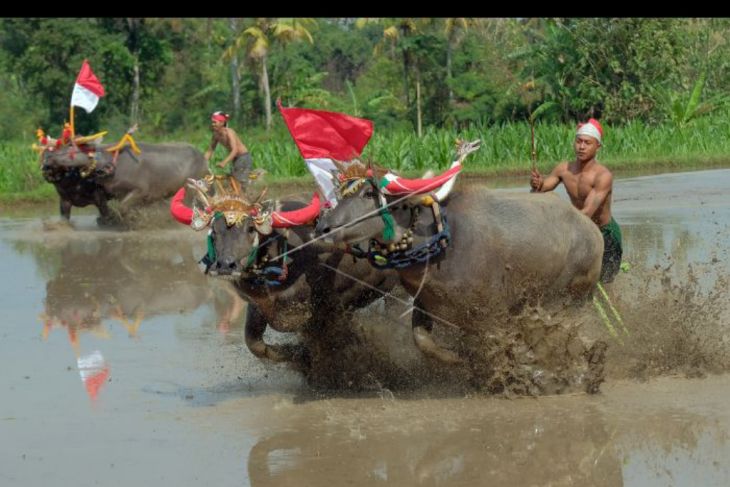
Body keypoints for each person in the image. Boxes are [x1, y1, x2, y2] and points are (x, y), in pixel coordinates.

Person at [530, 118, 622, 283]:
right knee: (575, 283)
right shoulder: (564, 169)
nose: (581, 147)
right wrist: (537, 183)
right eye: (579, 141)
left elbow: (586, 213)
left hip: (604, 233)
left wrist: (560, 227)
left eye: (587, 143)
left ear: (597, 147)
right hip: (580, 231)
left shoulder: (603, 176)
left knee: (604, 282)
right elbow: (541, 189)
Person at [204, 111, 253, 183]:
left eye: (215, 122)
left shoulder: (229, 132)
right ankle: (237, 192)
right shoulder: (216, 135)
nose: (213, 124)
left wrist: (224, 162)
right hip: (235, 158)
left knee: (239, 179)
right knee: (232, 179)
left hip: (243, 157)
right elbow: (210, 150)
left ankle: (245, 192)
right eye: (212, 122)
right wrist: (202, 162)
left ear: (222, 123)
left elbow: (235, 150)